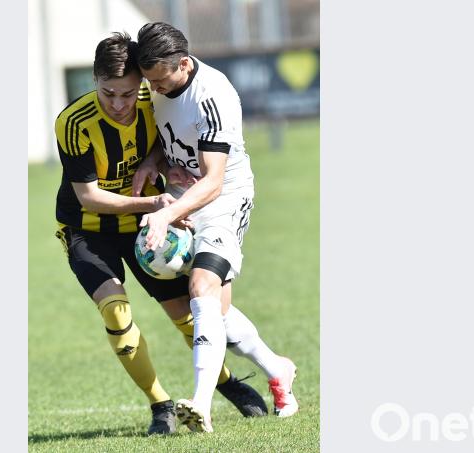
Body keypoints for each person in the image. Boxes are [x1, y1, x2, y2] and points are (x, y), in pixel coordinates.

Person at [52, 32, 268, 436]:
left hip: (146, 227)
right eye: (108, 93)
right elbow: (89, 197)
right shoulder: (73, 122)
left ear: (142, 85)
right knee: (116, 312)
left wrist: (163, 168)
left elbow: (168, 147)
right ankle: (160, 405)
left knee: (188, 315)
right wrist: (155, 206)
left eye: (128, 94)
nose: (119, 104)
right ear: (94, 82)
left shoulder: (156, 99)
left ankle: (226, 384)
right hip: (88, 229)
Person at [133, 22, 299, 433]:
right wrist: (155, 160)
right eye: (149, 80)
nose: (153, 88)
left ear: (184, 64)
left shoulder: (212, 95)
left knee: (201, 288)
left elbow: (213, 180)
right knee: (215, 312)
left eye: (159, 80)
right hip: (182, 192)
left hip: (224, 199)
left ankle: (201, 404)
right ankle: (277, 368)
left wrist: (165, 214)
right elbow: (170, 134)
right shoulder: (160, 84)